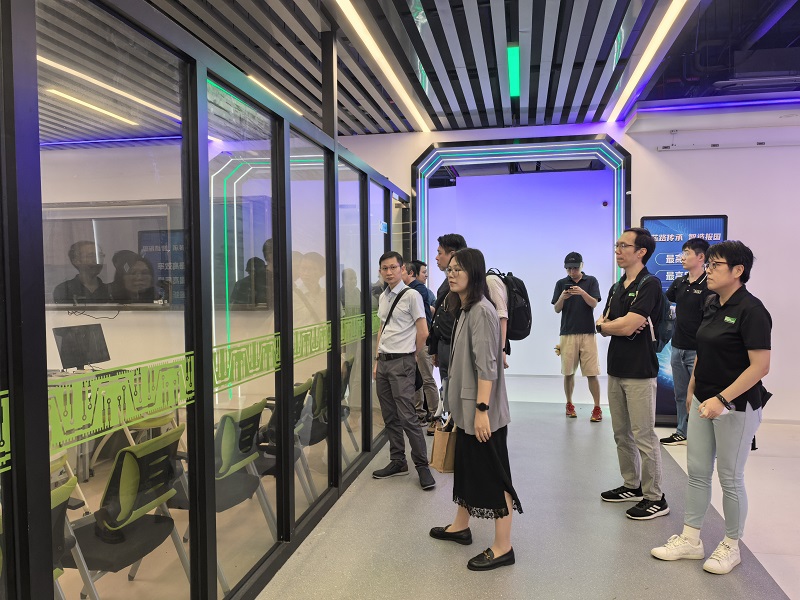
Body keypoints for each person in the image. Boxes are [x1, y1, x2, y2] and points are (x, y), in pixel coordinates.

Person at [651, 241, 771, 575]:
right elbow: (703, 348)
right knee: (698, 472)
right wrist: (693, 387)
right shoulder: (711, 303)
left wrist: (722, 399)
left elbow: (760, 367)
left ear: (738, 271)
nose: (709, 271)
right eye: (710, 265)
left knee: (730, 477)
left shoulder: (753, 310)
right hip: (704, 401)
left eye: (716, 265)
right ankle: (691, 540)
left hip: (737, 406)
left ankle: (732, 545)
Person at [429, 248, 521, 571]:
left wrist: (482, 409)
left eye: (459, 269)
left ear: (475, 273)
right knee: (467, 470)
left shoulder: (481, 310)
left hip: (482, 414)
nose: (452, 273)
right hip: (466, 410)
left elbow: (487, 366)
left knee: (496, 476)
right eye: (450, 268)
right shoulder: (465, 308)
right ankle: (461, 526)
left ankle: (503, 546)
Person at [596, 227, 669, 520]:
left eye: (624, 245)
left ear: (641, 252)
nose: (618, 250)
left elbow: (626, 326)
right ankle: (632, 485)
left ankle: (655, 497)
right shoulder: (617, 287)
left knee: (644, 435)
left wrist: (613, 326)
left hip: (640, 370)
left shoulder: (650, 284)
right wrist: (611, 326)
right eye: (617, 245)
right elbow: (603, 322)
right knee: (621, 433)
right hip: (616, 367)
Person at [372, 251, 436, 491]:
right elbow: (382, 329)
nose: (389, 272)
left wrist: (411, 355)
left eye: (393, 268)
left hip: (402, 362)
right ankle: (398, 461)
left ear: (401, 269)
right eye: (384, 268)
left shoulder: (412, 296)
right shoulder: (383, 297)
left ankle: (422, 466)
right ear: (380, 271)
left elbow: (423, 332)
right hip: (384, 362)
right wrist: (377, 360)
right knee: (389, 415)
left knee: (408, 416)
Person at [660, 238, 711, 446]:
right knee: (680, 394)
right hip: (677, 346)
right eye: (682, 253)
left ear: (701, 257)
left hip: (698, 351)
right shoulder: (679, 282)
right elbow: (665, 302)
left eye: (687, 253)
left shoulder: (709, 285)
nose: (682, 257)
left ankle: (702, 436)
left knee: (700, 394)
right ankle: (682, 431)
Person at [552, 252, 602, 421]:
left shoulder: (591, 281)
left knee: (592, 372)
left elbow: (594, 303)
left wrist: (582, 292)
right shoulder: (561, 283)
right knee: (568, 372)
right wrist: (562, 297)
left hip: (588, 332)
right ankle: (569, 403)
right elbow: (557, 309)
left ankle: (597, 407)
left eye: (575, 268)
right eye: (568, 269)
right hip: (567, 332)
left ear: (582, 265)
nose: (572, 272)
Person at [428, 234, 468, 414]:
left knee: (456, 398)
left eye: (440, 253)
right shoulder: (448, 282)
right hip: (445, 346)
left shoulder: (466, 284)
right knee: (448, 393)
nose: (436, 258)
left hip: (456, 347)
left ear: (452, 254)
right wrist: (435, 348)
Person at [401, 261, 439, 425]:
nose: (426, 275)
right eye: (424, 272)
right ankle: (420, 413)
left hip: (422, 339)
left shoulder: (419, 290)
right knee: (417, 379)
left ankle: (435, 415)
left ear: (410, 273)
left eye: (401, 270)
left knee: (426, 377)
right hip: (412, 339)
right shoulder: (407, 290)